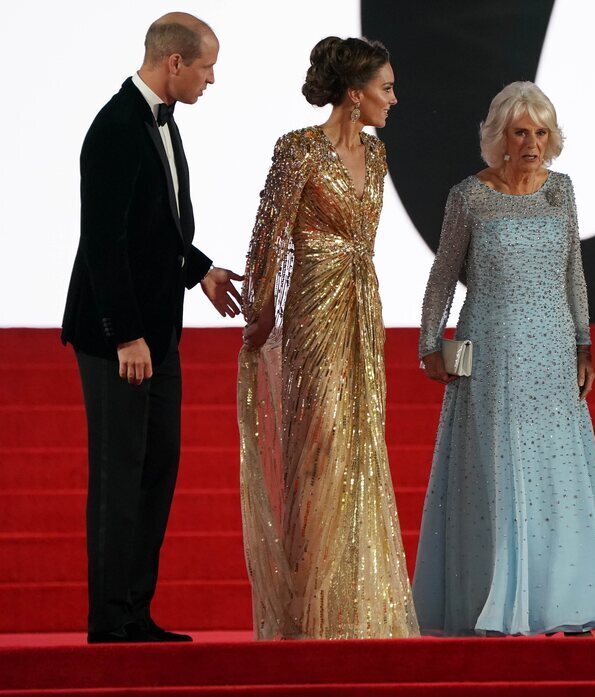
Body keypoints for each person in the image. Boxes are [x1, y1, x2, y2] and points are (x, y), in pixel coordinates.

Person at [413, 81, 595, 637]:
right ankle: (494, 599)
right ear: (499, 136)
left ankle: (564, 602)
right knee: (494, 470)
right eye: (521, 132)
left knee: (559, 475)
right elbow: (444, 274)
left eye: (541, 133)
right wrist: (429, 342)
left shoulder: (560, 191)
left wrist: (585, 343)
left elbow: (573, 272)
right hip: (487, 348)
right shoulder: (468, 196)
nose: (532, 143)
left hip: (552, 348)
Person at [61, 12, 243, 644]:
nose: (210, 79)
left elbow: (158, 229)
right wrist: (124, 334)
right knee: (120, 469)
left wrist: (202, 271)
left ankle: (136, 611)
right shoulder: (114, 128)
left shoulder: (164, 125)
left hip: (158, 332)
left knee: (157, 464)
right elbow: (103, 243)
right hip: (120, 337)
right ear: (174, 63)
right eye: (205, 67)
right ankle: (110, 619)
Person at [238, 36, 418, 640]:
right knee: (320, 443)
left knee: (362, 444)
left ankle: (354, 607)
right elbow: (270, 237)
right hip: (314, 308)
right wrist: (259, 312)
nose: (394, 99)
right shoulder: (298, 150)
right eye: (386, 88)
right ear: (353, 92)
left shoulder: (378, 152)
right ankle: (308, 610)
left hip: (363, 309)